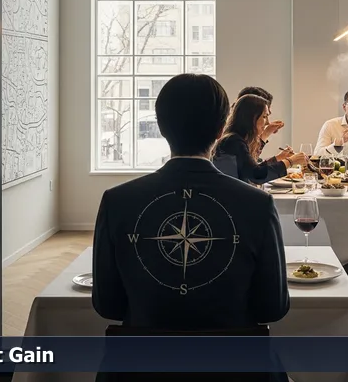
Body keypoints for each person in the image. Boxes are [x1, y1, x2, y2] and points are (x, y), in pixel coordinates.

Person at [92, 73, 290, 331]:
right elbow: (272, 308)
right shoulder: (259, 205)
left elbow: (108, 306)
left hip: (139, 365)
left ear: (160, 126)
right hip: (238, 364)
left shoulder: (115, 201)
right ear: (221, 131)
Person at [213, 95, 308, 184]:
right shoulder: (233, 141)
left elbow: (252, 168)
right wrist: (290, 161)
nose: (267, 122)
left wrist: (278, 158)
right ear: (251, 117)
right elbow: (256, 175)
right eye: (264, 116)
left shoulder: (235, 138)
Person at [237, 86, 285, 162]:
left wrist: (280, 158)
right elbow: (253, 170)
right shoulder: (235, 139)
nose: (268, 122)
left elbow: (254, 163)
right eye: (264, 116)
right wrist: (265, 134)